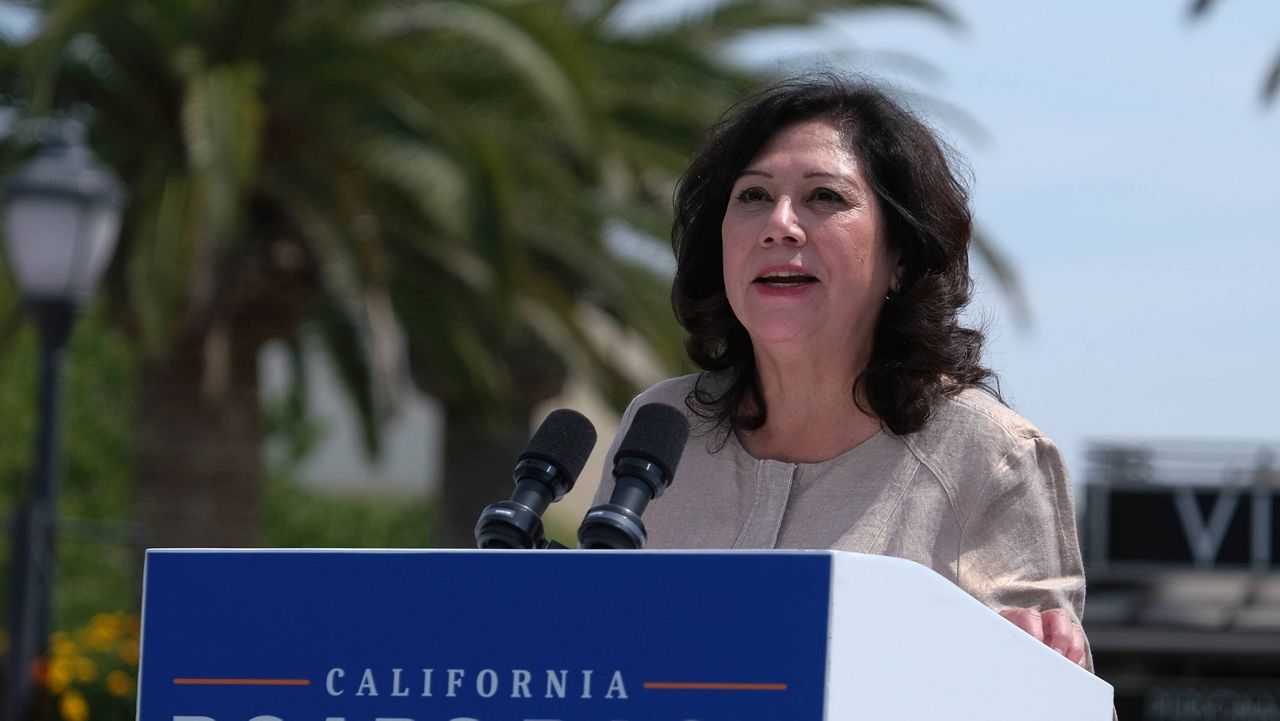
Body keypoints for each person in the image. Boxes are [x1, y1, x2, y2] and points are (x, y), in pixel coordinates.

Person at [594, 75, 1091, 668]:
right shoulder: (663, 429)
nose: (780, 223)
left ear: (900, 257)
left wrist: (1045, 664)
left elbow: (1042, 686)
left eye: (824, 197)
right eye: (752, 196)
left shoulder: (991, 456)